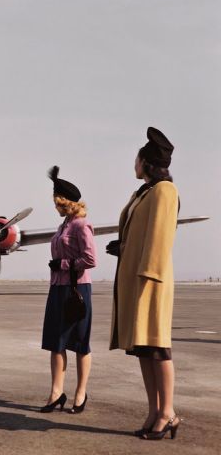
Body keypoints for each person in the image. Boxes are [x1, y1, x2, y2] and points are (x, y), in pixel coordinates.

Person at [107, 127, 181, 440]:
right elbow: (140, 236)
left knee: (159, 350)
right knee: (144, 351)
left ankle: (168, 413)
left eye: (137, 159)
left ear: (147, 162)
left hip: (151, 283)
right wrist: (122, 247)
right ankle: (154, 411)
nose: (133, 164)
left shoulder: (165, 191)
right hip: (138, 281)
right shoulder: (145, 192)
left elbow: (160, 241)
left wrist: (147, 277)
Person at [41, 166, 97, 414]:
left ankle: (80, 393)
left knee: (80, 343)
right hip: (57, 289)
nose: (54, 206)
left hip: (77, 290)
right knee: (56, 342)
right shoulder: (64, 225)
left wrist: (62, 264)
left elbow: (90, 259)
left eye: (56, 202)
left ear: (64, 202)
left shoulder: (81, 225)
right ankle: (56, 392)